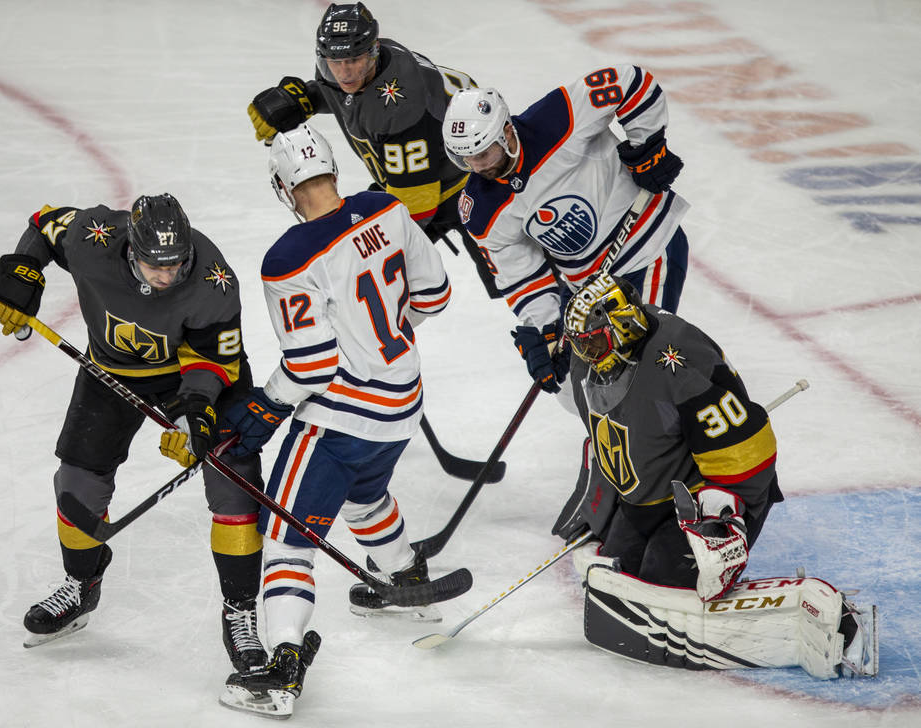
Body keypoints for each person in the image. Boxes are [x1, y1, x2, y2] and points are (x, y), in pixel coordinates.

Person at [217, 124, 454, 719]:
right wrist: (378, 344)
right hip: (403, 400)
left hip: (340, 418)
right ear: (333, 169)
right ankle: (404, 581)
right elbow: (433, 295)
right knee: (365, 497)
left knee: (287, 540)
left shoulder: (289, 257)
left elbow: (311, 363)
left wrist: (267, 405)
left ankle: (283, 667)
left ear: (283, 185)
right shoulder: (387, 208)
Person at [0, 193, 269, 673]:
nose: (168, 276)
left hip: (194, 376)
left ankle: (240, 610)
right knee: (76, 482)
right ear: (130, 250)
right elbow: (41, 226)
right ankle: (82, 583)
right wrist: (22, 275)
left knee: (236, 486)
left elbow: (214, 363)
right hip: (110, 372)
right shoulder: (92, 237)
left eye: (177, 265)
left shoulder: (213, 279)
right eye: (156, 266)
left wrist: (191, 418)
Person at [549, 271, 877, 678]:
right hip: (647, 499)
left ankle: (825, 615)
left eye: (593, 342)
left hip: (706, 497)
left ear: (622, 327)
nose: (586, 353)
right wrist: (599, 496)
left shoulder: (680, 365)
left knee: (661, 586)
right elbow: (607, 435)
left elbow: (748, 455)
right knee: (617, 576)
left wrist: (724, 519)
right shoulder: (590, 365)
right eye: (579, 343)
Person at [441, 68, 689, 393]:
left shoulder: (554, 119)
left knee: (646, 367)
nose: (477, 166)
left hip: (647, 245)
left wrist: (648, 148)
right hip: (588, 290)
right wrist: (547, 329)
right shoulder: (480, 207)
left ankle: (678, 434)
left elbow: (631, 82)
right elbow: (520, 276)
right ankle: (617, 440)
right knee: (579, 392)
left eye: (483, 153)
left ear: (506, 133)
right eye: (467, 159)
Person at [246, 2, 501, 299]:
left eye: (355, 60)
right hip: (419, 174)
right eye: (334, 61)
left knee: (519, 283)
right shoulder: (355, 68)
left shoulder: (401, 106)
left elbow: (416, 208)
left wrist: (366, 243)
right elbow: (344, 96)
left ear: (373, 51)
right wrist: (305, 99)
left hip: (475, 186)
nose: (344, 72)